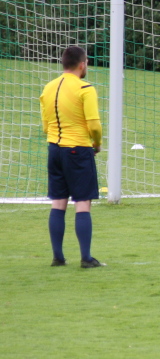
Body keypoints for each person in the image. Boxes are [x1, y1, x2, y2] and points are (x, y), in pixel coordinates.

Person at [39, 46, 105, 268]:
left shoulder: (47, 88)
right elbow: (94, 125)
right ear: (81, 64)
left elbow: (46, 126)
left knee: (58, 202)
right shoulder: (85, 88)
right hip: (77, 149)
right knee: (82, 203)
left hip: (54, 150)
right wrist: (96, 144)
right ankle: (86, 258)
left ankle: (58, 257)